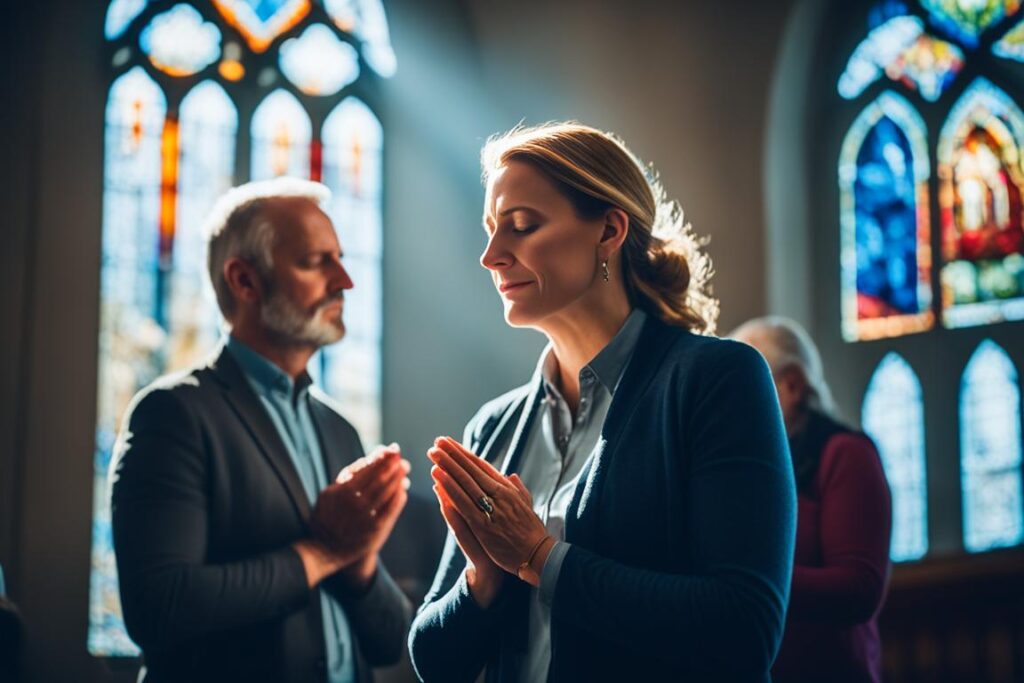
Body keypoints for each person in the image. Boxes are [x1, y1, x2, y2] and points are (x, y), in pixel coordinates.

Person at [408, 123, 797, 682]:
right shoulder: (493, 428)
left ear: (609, 230)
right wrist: (481, 581)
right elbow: (436, 663)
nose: (491, 256)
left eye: (522, 226)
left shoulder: (717, 380)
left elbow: (744, 630)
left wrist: (539, 556)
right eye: (492, 230)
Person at [110, 178, 412, 683]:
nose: (344, 281)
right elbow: (158, 608)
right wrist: (323, 552)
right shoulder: (173, 415)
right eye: (317, 262)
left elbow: (388, 645)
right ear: (245, 281)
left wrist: (358, 566)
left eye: (339, 258)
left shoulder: (339, 431)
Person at [730, 316, 892, 683]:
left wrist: (746, 581)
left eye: (746, 388)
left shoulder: (846, 454)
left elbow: (859, 588)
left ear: (792, 385)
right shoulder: (748, 466)